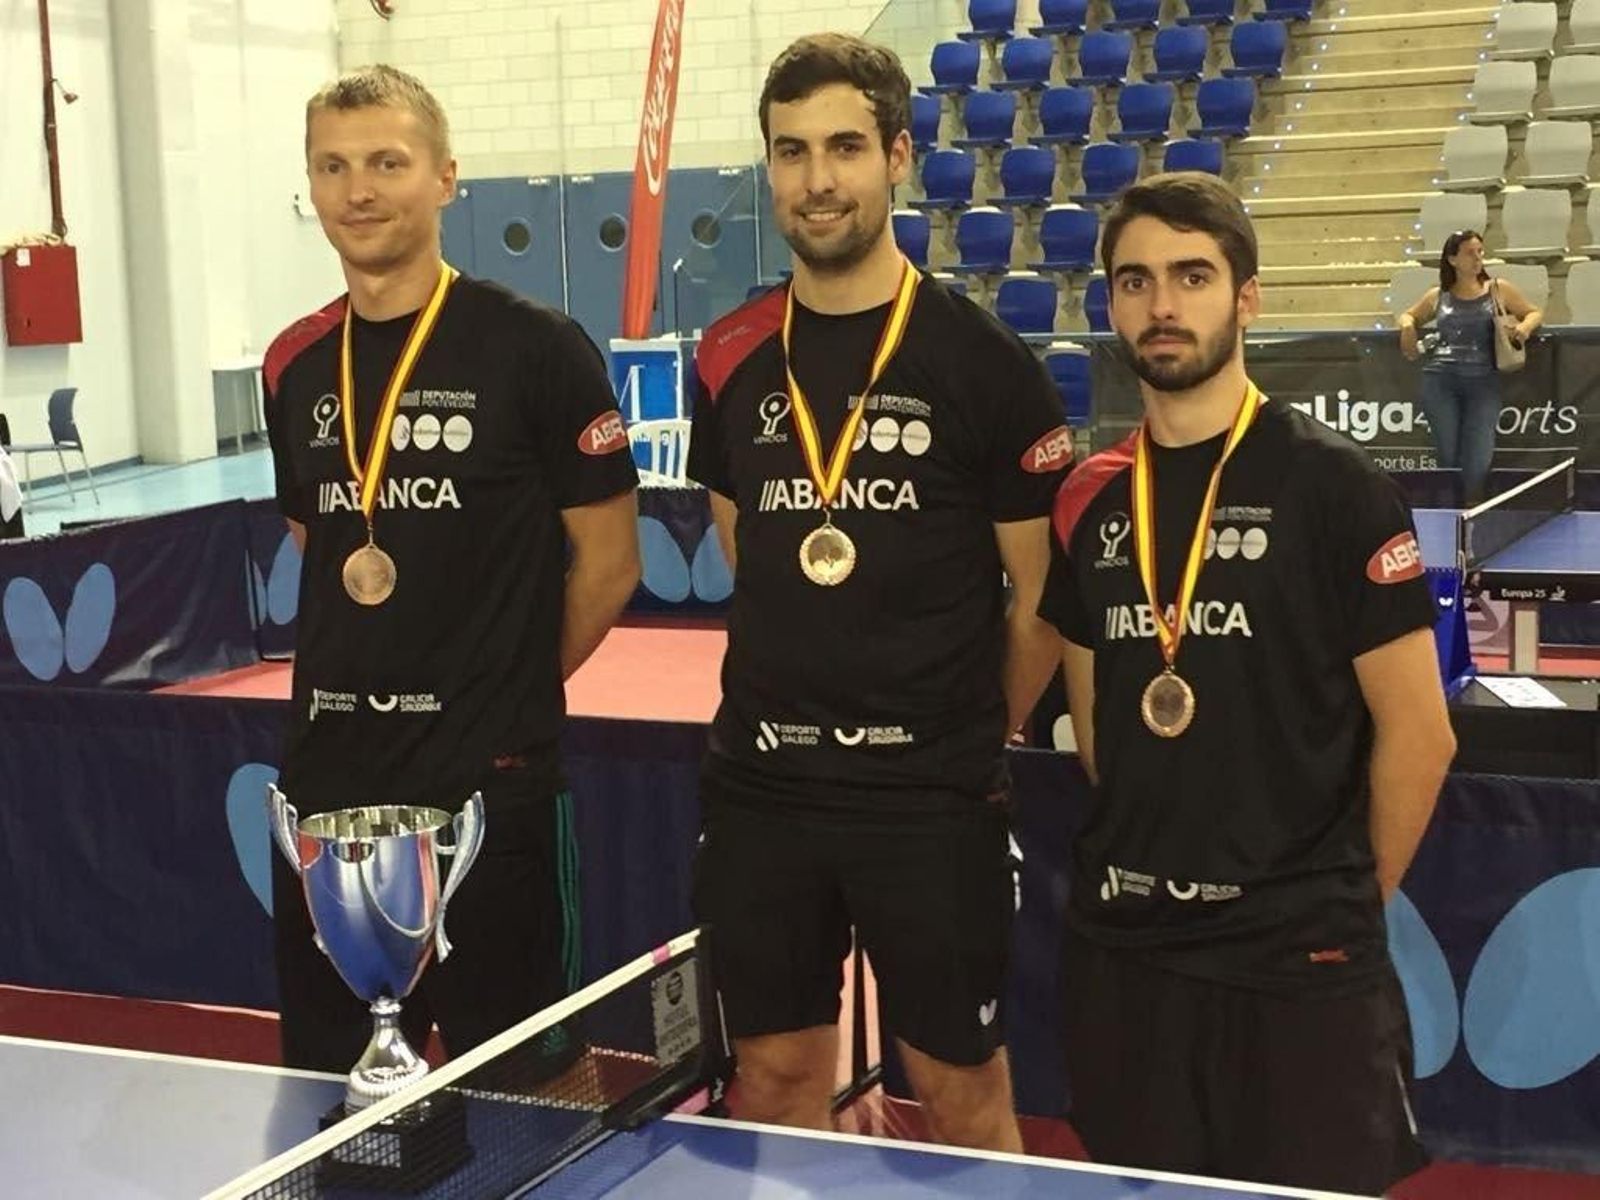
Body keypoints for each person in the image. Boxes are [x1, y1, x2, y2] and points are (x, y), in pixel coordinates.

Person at [685, 33, 1072, 1151]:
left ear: (898, 155)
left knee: (960, 1095)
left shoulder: (984, 363)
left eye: (846, 146)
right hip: (764, 790)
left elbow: (1039, 598)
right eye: (792, 151)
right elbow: (750, 552)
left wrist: (962, 734)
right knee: (772, 1078)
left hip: (928, 797)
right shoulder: (729, 357)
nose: (818, 179)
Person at [1038, 172, 1456, 1192]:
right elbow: (1100, 737)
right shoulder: (1095, 508)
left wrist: (1337, 908)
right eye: (1133, 281)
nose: (1161, 305)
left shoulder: (1335, 489)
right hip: (1130, 955)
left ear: (1246, 296)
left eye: (1191, 276)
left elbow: (1420, 734)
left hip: (1294, 969)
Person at [261, 65, 640, 1072]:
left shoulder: (536, 349)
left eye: (388, 162)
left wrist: (502, 691)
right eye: (333, 167)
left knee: (531, 1091)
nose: (360, 190)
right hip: (328, 791)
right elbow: (324, 543)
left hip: (491, 791)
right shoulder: (295, 367)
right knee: (334, 1102)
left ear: (445, 178)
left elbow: (607, 565)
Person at [1399, 229, 1543, 505]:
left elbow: (1534, 312)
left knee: (1478, 453)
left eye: (1480, 251)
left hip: (1484, 380)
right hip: (1441, 380)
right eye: (1469, 252)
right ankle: (1448, 509)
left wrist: (1524, 328)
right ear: (1452, 259)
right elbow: (1409, 314)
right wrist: (1407, 324)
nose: (1477, 258)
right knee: (1447, 452)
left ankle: (1472, 508)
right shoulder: (1437, 295)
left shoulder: (1499, 289)